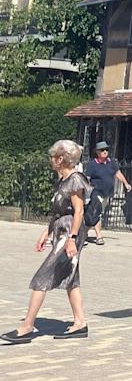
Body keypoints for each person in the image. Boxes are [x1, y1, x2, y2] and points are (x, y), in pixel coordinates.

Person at [2, 140, 91, 343]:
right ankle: (80, 323)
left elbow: (78, 212)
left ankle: (27, 326)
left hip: (70, 232)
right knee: (70, 277)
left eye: (53, 157)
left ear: (61, 159)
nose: (51, 160)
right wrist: (46, 232)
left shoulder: (75, 179)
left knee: (42, 277)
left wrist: (72, 239)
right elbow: (59, 212)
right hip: (61, 230)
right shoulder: (63, 180)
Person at [83, 141, 130, 244]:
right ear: (97, 152)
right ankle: (99, 236)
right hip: (96, 192)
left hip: (107, 193)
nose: (105, 152)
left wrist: (125, 184)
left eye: (107, 150)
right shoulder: (92, 164)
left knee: (95, 214)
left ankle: (83, 233)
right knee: (97, 213)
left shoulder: (111, 163)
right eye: (102, 150)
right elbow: (87, 178)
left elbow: (118, 173)